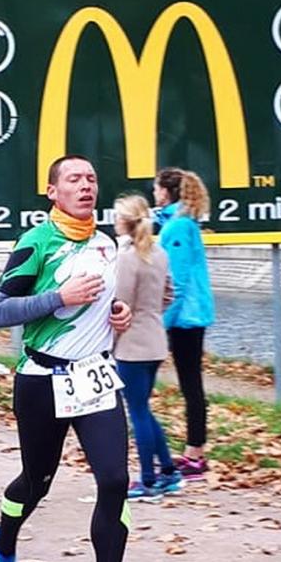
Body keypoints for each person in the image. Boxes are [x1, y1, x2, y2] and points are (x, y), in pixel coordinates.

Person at [0, 155, 136, 562]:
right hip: (42, 378)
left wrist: (118, 316)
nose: (86, 185)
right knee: (37, 481)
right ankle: (4, 540)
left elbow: (102, 307)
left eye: (91, 178)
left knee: (115, 480)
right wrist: (59, 297)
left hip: (95, 376)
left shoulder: (106, 244)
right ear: (53, 192)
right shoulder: (36, 243)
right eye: (74, 179)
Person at [113, 193, 180, 500]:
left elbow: (120, 306)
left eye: (116, 217)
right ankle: (168, 471)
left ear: (125, 222)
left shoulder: (126, 258)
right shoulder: (160, 253)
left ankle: (148, 480)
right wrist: (151, 312)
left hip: (131, 343)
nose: (113, 222)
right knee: (144, 408)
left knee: (137, 411)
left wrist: (110, 342)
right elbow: (169, 294)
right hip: (155, 339)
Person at [154, 168, 215, 479]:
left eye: (156, 189)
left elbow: (174, 283)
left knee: (191, 384)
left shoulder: (177, 227)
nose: (154, 194)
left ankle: (195, 453)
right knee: (191, 383)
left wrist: (160, 322)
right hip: (189, 316)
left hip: (185, 319)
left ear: (166, 192)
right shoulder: (181, 223)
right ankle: (194, 450)